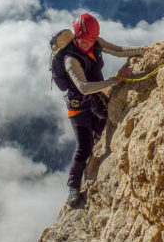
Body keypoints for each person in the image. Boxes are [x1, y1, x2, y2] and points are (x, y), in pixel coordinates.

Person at [58, 12, 147, 208]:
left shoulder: (95, 41)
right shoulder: (70, 59)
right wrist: (114, 81)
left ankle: (99, 144)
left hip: (96, 98)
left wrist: (143, 50)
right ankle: (73, 187)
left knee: (109, 124)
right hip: (78, 106)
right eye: (82, 41)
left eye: (90, 41)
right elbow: (82, 87)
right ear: (76, 35)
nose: (87, 45)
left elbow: (118, 50)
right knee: (84, 147)